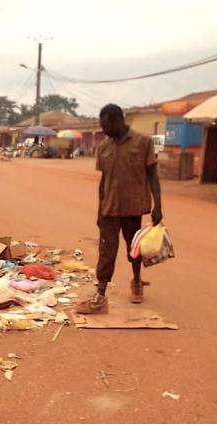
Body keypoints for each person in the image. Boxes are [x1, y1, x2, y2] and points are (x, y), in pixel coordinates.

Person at [76, 104, 163, 314]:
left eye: (106, 126)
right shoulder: (104, 148)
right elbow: (103, 181)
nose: (104, 131)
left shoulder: (143, 142)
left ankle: (137, 281)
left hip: (133, 207)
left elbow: (153, 175)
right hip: (109, 209)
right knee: (106, 251)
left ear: (118, 120)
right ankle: (101, 294)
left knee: (134, 251)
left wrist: (158, 205)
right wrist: (99, 210)